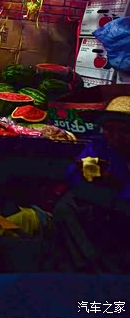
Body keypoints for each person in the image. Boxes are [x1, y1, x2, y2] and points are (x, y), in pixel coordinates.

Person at [51, 95, 130, 273]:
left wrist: (119, 187)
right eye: (110, 129)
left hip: (123, 207)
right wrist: (84, 173)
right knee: (66, 206)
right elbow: (72, 174)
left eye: (124, 131)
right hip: (101, 202)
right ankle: (85, 266)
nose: (116, 136)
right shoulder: (100, 145)